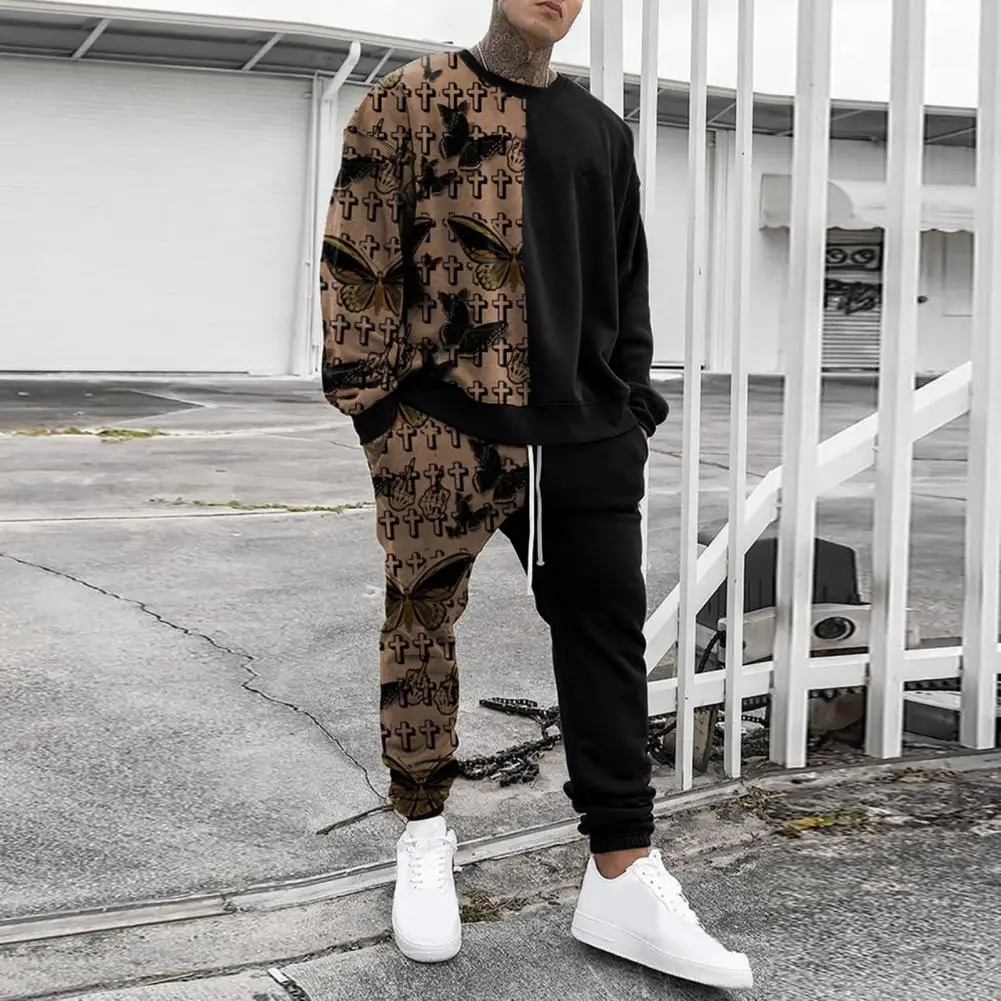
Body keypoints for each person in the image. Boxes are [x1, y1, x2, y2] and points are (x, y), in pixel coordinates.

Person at [320, 0, 752, 989]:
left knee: (605, 640)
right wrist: (377, 411)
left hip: (585, 435)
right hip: (440, 427)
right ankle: (424, 833)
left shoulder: (599, 130)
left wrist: (632, 402)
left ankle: (621, 870)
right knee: (421, 627)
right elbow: (356, 258)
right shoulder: (407, 100)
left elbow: (624, 277)